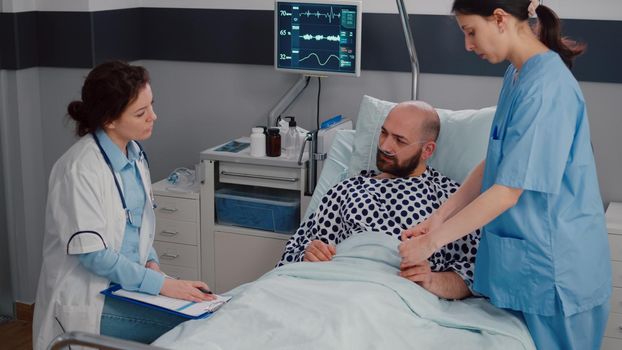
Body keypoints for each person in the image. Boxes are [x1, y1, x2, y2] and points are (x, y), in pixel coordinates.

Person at [398, 1, 611, 349]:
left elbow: (507, 190)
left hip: (556, 273)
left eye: (470, 32)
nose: (468, 45)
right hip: (524, 270)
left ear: (499, 18)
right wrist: (438, 218)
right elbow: (495, 160)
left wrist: (430, 245)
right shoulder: (517, 74)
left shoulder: (546, 88)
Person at [32, 61, 215, 349]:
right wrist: (164, 286)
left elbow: (136, 227)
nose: (153, 116)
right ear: (109, 120)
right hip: (93, 299)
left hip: (127, 288)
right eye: (141, 113)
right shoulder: (80, 169)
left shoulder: (134, 155)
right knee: (196, 329)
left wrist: (153, 265)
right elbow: (94, 256)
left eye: (151, 106)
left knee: (210, 312)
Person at [277, 101, 481, 300]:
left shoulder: (452, 199)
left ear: (427, 150)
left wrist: (430, 280)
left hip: (392, 293)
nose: (385, 145)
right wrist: (309, 253)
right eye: (384, 133)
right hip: (335, 286)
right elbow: (291, 253)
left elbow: (474, 274)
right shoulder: (346, 189)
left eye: (400, 141)